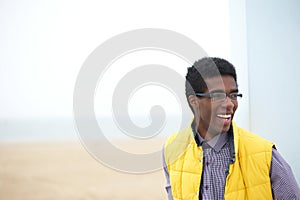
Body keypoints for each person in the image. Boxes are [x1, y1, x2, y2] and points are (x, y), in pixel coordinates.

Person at [162, 57, 300, 199]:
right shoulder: (172, 149)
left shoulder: (266, 155)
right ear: (194, 101)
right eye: (218, 95)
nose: (230, 104)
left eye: (233, 95)